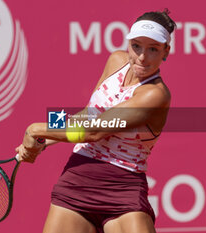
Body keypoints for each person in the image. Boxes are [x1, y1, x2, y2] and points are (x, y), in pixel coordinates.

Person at [16, 9, 176, 233]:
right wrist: (45, 138)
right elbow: (87, 115)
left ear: (165, 51)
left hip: (123, 190)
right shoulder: (116, 61)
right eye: (137, 46)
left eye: (153, 49)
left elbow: (94, 131)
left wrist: (36, 129)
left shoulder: (155, 94)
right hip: (78, 181)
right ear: (128, 43)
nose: (142, 57)